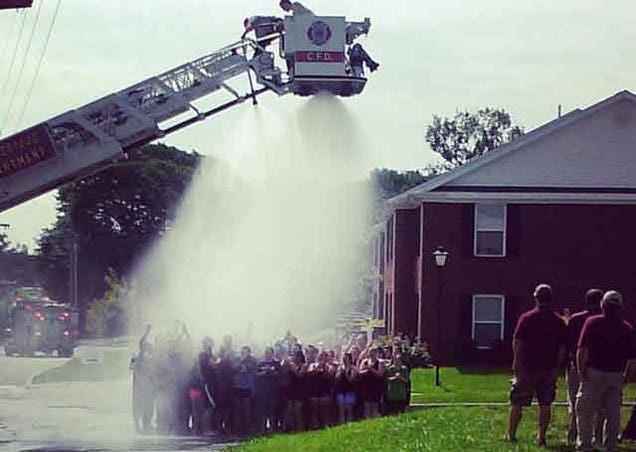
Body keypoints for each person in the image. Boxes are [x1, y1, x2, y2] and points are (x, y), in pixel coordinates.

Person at [504, 284, 566, 446]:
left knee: (517, 402)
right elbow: (561, 347)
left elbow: (517, 342)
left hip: (527, 367)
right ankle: (542, 437)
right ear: (551, 299)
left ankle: (511, 434)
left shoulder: (527, 318)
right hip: (548, 367)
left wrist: (516, 362)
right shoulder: (558, 320)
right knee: (545, 403)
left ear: (536, 297)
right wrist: (556, 366)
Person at [576, 290, 636, 451]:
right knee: (613, 415)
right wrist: (626, 378)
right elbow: (632, 359)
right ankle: (611, 446)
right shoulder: (626, 328)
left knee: (584, 411)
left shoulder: (592, 322)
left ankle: (585, 445)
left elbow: (582, 350)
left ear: (603, 305)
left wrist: (582, 372)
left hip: (594, 373)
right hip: (616, 375)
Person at [564, 289, 603, 445]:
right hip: (599, 367)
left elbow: (568, 343)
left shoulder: (576, 319)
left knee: (575, 402)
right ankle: (597, 436)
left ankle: (573, 433)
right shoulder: (605, 321)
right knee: (599, 404)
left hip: (576, 366)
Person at [130, 324, 156, 433]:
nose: (148, 350)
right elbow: (140, 343)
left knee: (148, 408)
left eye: (149, 348)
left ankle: (147, 426)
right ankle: (137, 427)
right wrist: (147, 332)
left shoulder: (151, 360)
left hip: (148, 389)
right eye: (146, 347)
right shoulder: (138, 358)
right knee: (138, 408)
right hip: (139, 389)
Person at [255, 346, 282, 433]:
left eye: (269, 353)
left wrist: (271, 371)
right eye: (266, 353)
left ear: (272, 354)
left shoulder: (276, 363)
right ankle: (262, 428)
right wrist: (265, 372)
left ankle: (272, 428)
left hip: (273, 390)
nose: (268, 355)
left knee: (272, 410)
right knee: (263, 410)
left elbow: (279, 375)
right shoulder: (260, 363)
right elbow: (256, 374)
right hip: (262, 390)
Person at [306, 350, 334, 429]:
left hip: (325, 391)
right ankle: (315, 425)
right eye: (319, 355)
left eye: (322, 356)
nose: (320, 357)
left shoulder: (329, 366)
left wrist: (324, 368)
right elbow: (309, 373)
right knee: (314, 410)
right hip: (314, 391)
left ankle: (326, 425)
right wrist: (317, 368)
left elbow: (329, 375)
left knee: (325, 410)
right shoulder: (312, 365)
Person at [233, 346, 258, 433]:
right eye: (242, 352)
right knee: (238, 408)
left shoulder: (253, 360)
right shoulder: (237, 359)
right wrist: (241, 360)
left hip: (248, 386)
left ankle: (248, 427)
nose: (244, 353)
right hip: (238, 386)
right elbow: (234, 368)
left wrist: (246, 364)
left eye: (246, 352)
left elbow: (254, 369)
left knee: (247, 408)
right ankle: (239, 427)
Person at [358, 346, 386, 419]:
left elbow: (380, 374)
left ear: (376, 353)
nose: (371, 354)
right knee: (366, 405)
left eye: (373, 353)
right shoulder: (365, 361)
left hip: (376, 386)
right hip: (366, 386)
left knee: (374, 405)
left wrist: (371, 369)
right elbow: (360, 372)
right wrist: (367, 370)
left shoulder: (380, 362)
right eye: (370, 352)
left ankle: (374, 419)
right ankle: (367, 420)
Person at [335, 352, 357, 424]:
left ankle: (349, 422)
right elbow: (337, 377)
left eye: (347, 358)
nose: (345, 359)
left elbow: (351, 379)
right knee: (341, 409)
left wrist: (346, 373)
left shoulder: (353, 368)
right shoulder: (340, 367)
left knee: (349, 409)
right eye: (344, 358)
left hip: (350, 390)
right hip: (341, 390)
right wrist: (340, 372)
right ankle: (342, 423)